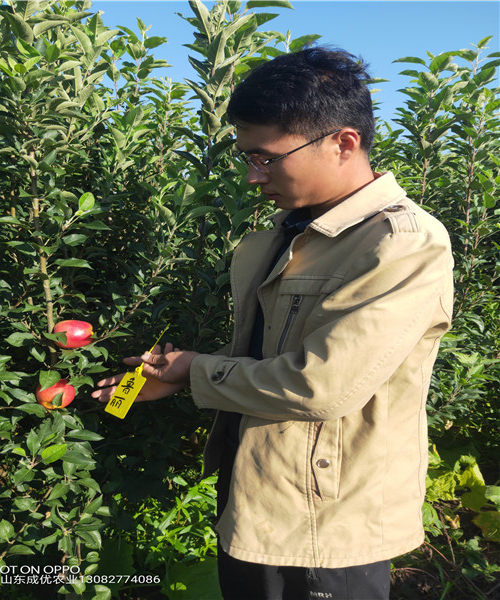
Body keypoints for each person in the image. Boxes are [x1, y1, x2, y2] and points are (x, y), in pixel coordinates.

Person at [93, 46, 454, 600]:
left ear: (343, 142)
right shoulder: (286, 235)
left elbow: (320, 385)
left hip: (324, 519)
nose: (252, 177)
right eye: (246, 159)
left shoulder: (400, 244)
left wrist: (195, 370)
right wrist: (179, 375)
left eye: (266, 158)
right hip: (256, 495)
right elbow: (269, 356)